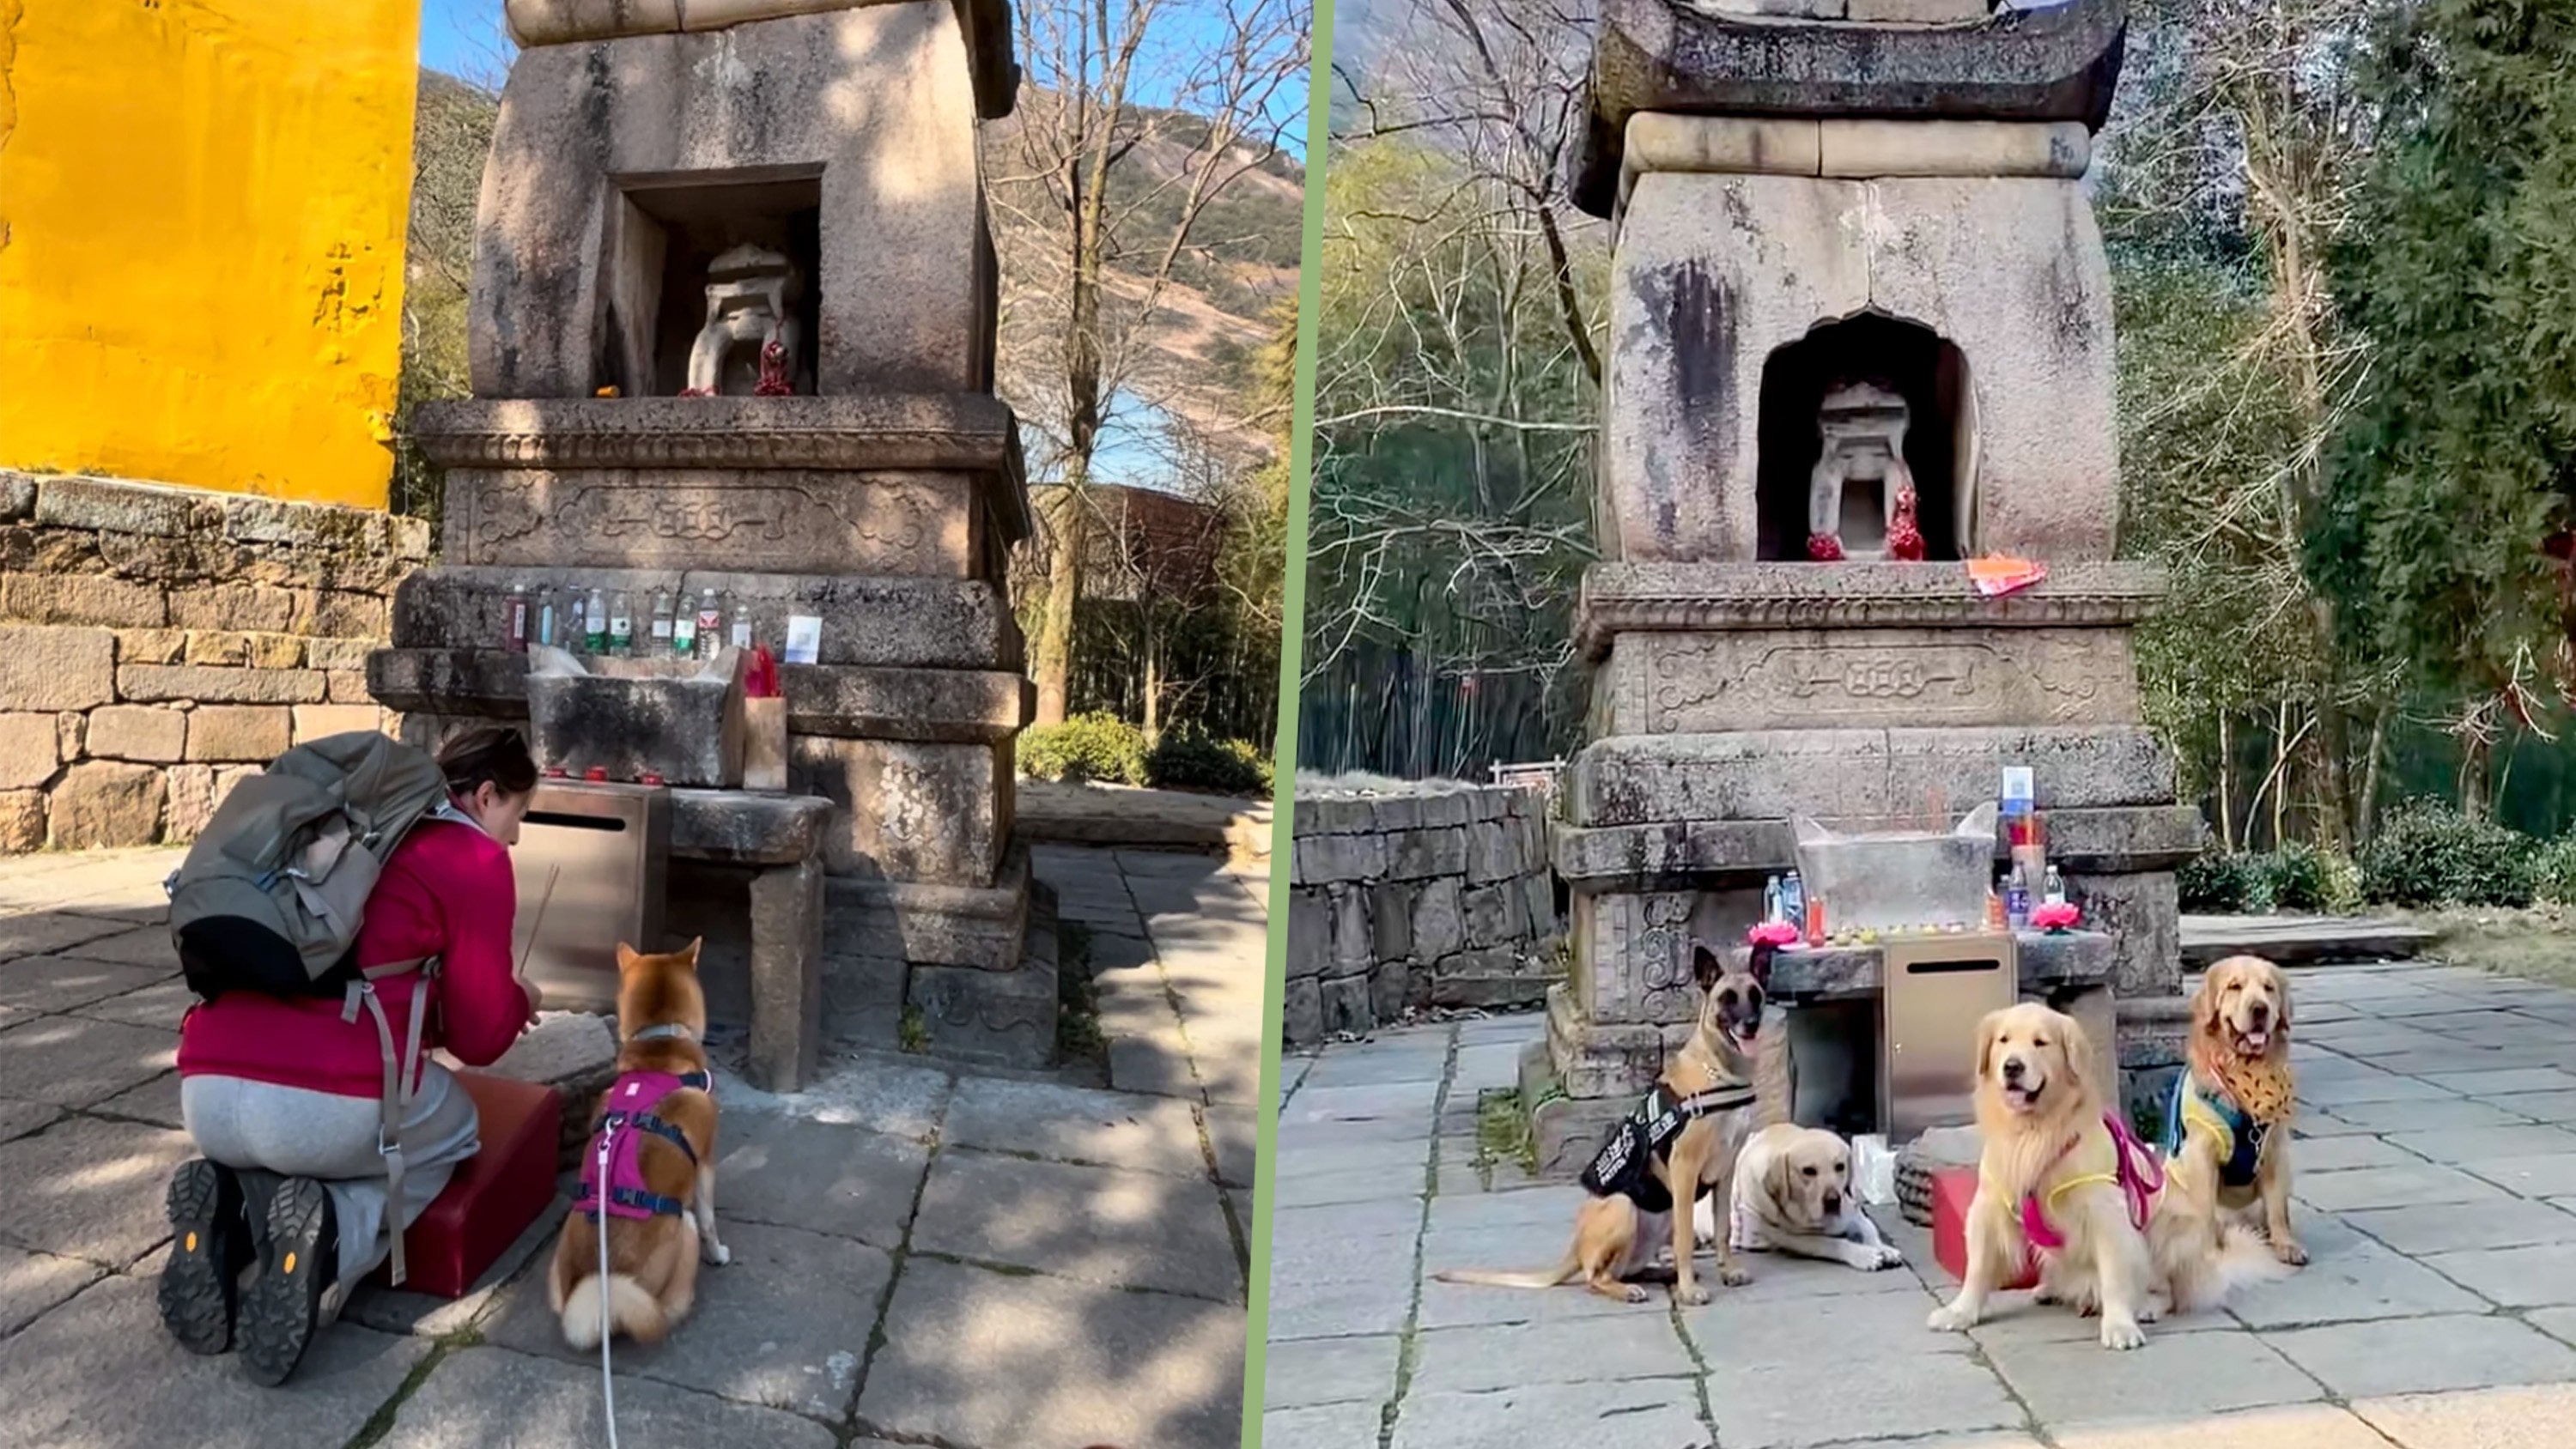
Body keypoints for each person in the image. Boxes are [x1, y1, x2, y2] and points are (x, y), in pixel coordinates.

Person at [161, 726, 543, 1385]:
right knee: (451, 1133)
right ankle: (334, 1229)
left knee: (318, 1133)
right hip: (328, 1107)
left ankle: (230, 1202)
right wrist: (518, 998)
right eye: (518, 815)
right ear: (485, 796)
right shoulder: (471, 858)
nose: (515, 835)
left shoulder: (331, 834)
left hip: (207, 1095)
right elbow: (480, 1041)